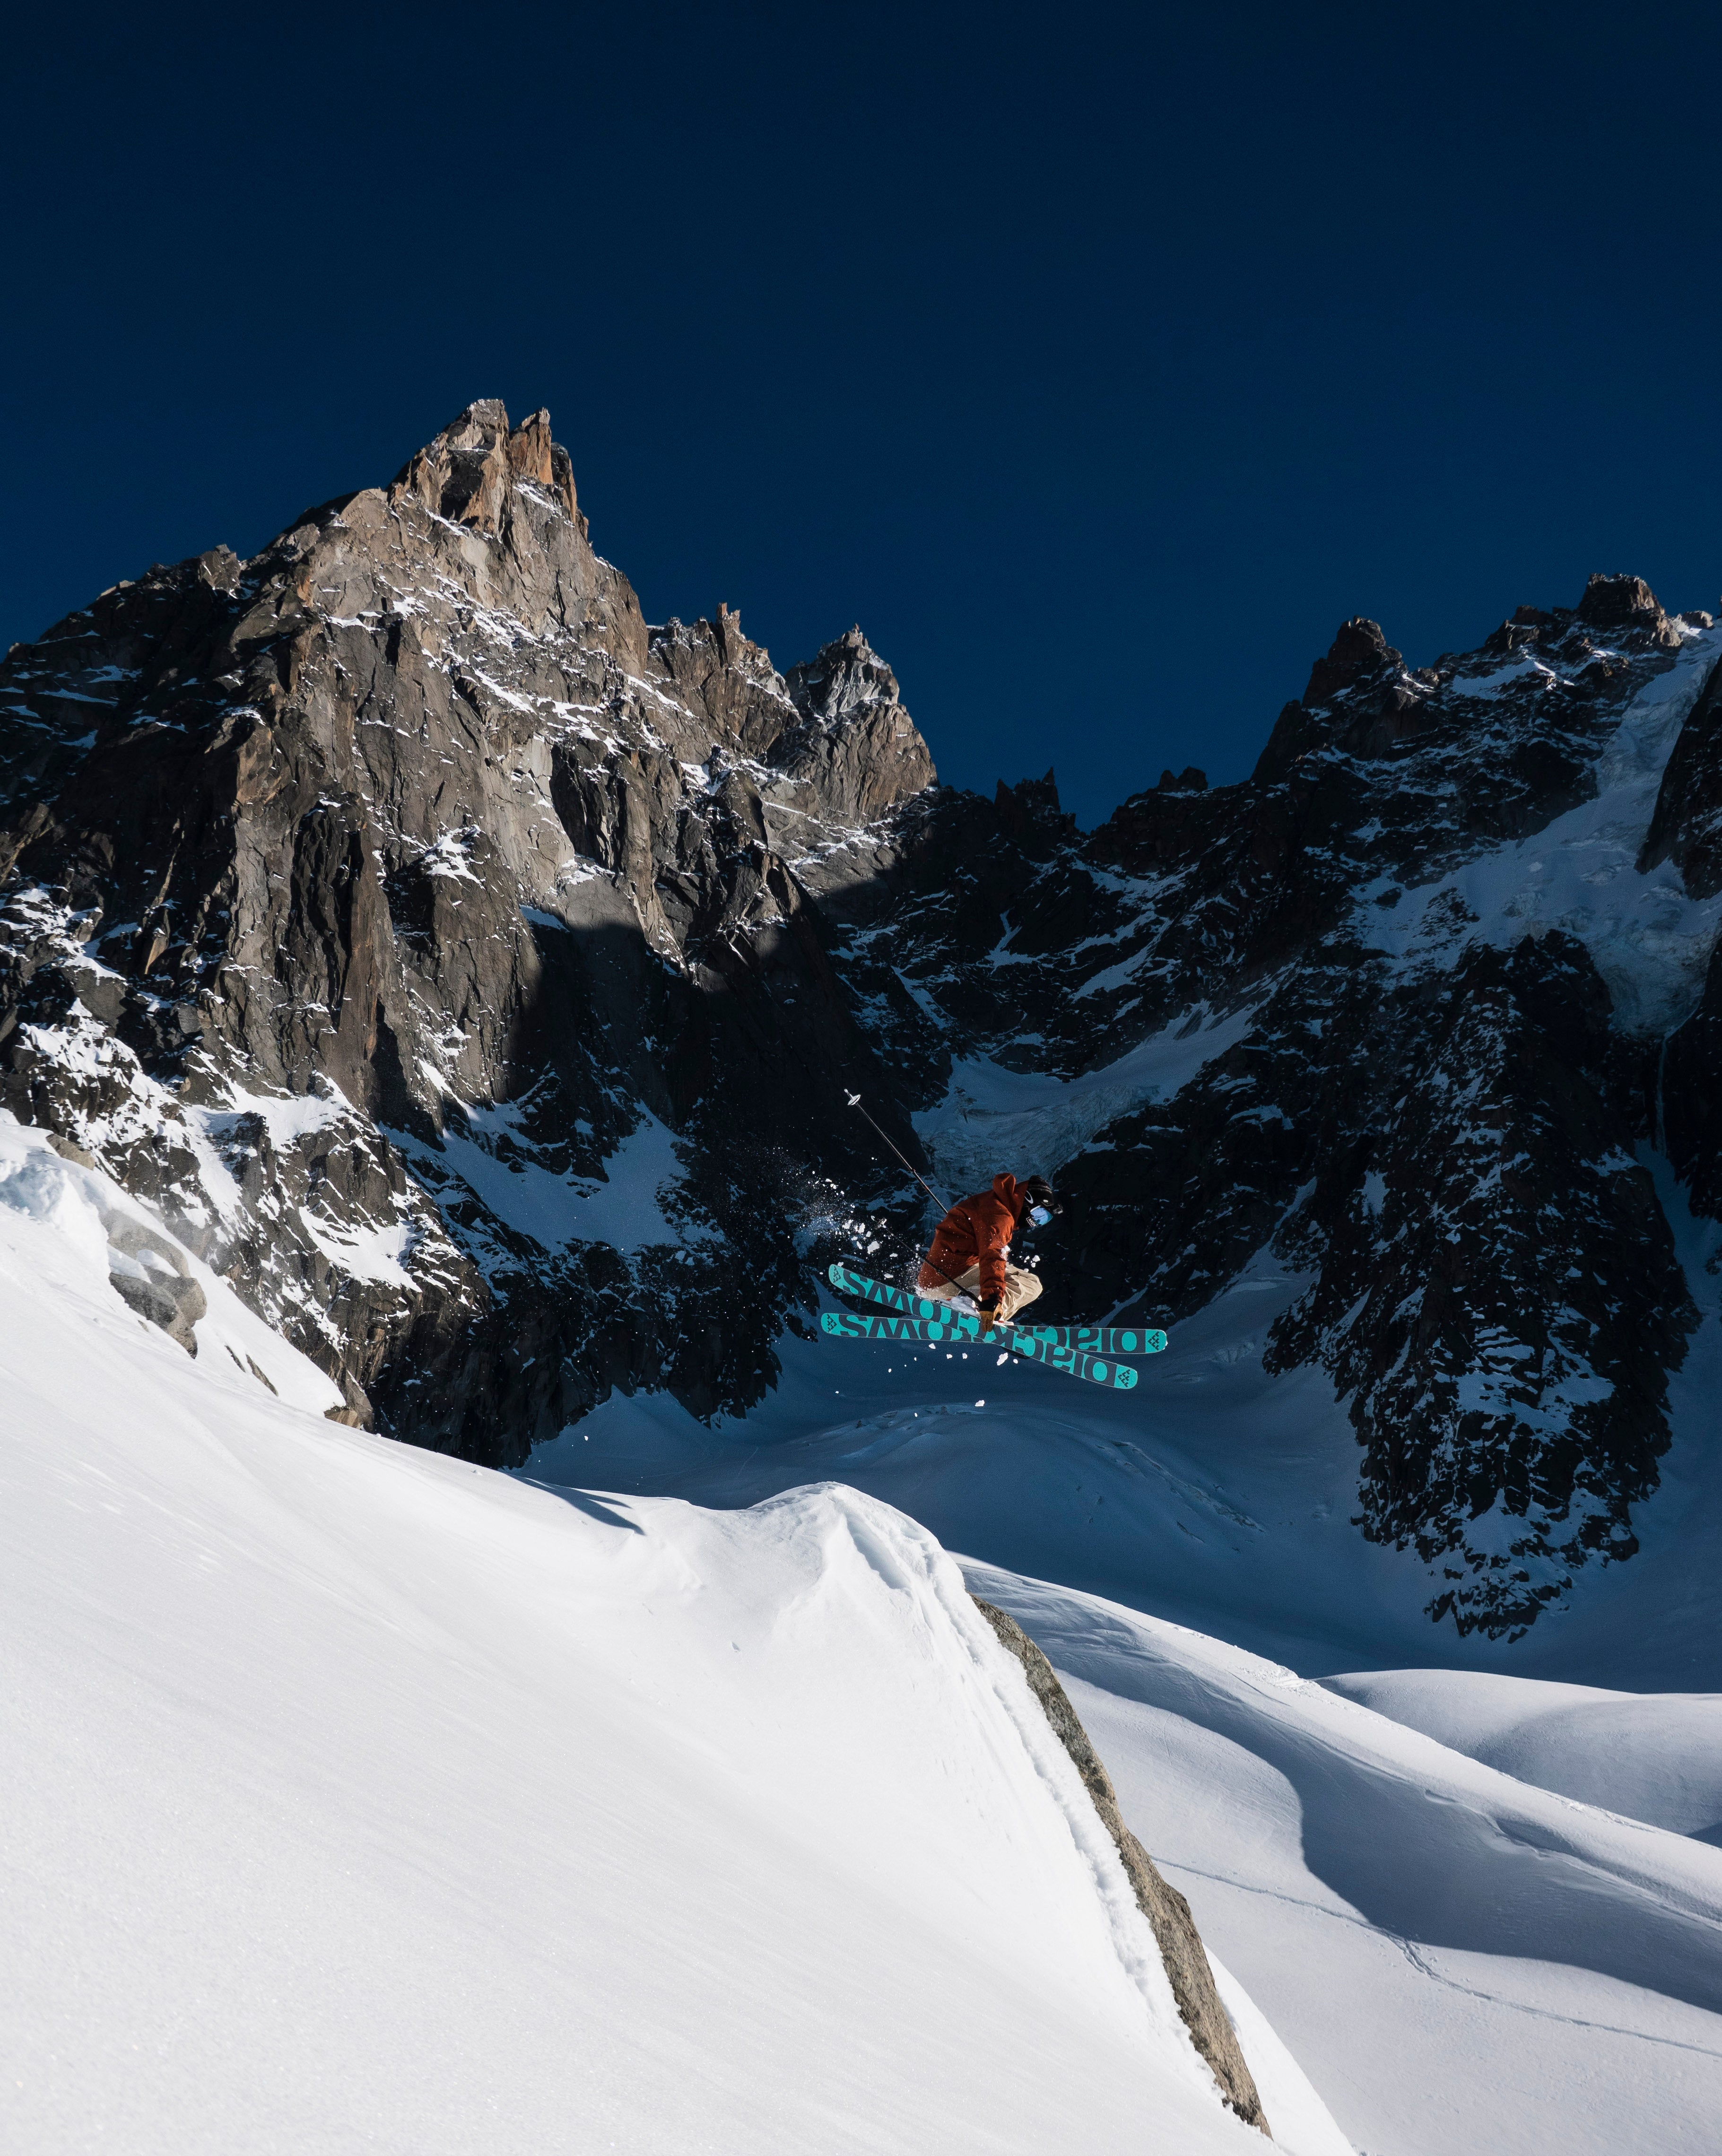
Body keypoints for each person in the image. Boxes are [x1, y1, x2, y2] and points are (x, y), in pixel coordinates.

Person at [916, 1173, 1056, 1332]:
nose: (1035, 1223)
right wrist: (992, 1300)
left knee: (1025, 1278)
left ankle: (973, 1299)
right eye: (1039, 1214)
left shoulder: (992, 1202)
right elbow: (993, 1257)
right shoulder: (1001, 1218)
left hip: (935, 1278)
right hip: (948, 1282)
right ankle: (979, 1307)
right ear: (1027, 1200)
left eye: (1044, 1220)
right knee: (1032, 1284)